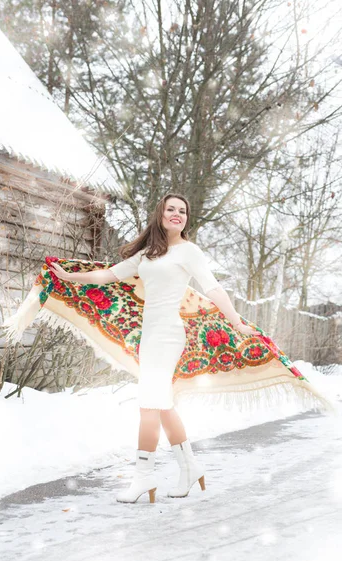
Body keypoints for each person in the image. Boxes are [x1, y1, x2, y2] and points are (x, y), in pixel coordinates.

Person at [50, 192, 261, 505]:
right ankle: (189, 467)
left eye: (182, 211)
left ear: (186, 219)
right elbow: (110, 274)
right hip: (149, 336)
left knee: (148, 404)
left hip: (167, 336)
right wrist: (71, 277)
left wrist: (238, 321)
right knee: (161, 404)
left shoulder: (189, 251)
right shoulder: (149, 252)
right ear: (160, 215)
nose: (177, 214)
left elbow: (213, 288)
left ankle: (143, 476)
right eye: (171, 209)